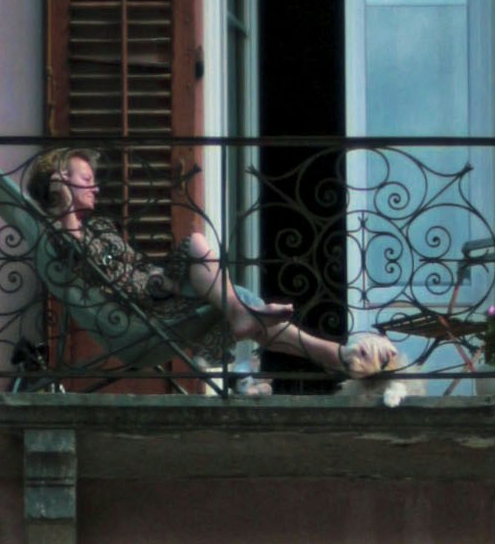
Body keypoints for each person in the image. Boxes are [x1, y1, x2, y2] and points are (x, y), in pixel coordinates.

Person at [31, 144, 402, 379]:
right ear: (60, 182)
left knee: (239, 298)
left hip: (160, 288)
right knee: (203, 252)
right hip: (145, 308)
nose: (96, 187)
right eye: (86, 178)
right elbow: (83, 262)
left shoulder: (93, 225)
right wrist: (63, 205)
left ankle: (328, 352)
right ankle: (335, 354)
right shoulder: (62, 239)